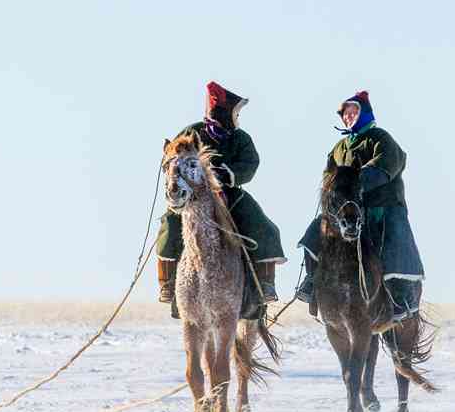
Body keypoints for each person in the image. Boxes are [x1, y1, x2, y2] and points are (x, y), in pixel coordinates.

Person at [296, 91, 426, 323]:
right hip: (346, 211)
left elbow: (387, 166)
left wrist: (354, 181)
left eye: (353, 111)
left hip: (381, 206)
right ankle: (312, 282)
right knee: (314, 231)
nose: (349, 117)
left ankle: (401, 294)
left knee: (395, 234)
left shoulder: (381, 138)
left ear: (364, 113)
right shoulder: (338, 148)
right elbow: (329, 176)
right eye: (345, 114)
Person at [156, 81, 286, 306]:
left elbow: (250, 163)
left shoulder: (241, 138)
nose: (238, 117)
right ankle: (167, 282)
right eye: (236, 112)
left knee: (262, 224)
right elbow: (171, 156)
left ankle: (265, 283)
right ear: (224, 113)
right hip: (193, 196)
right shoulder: (191, 132)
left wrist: (225, 174)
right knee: (170, 222)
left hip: (230, 193)